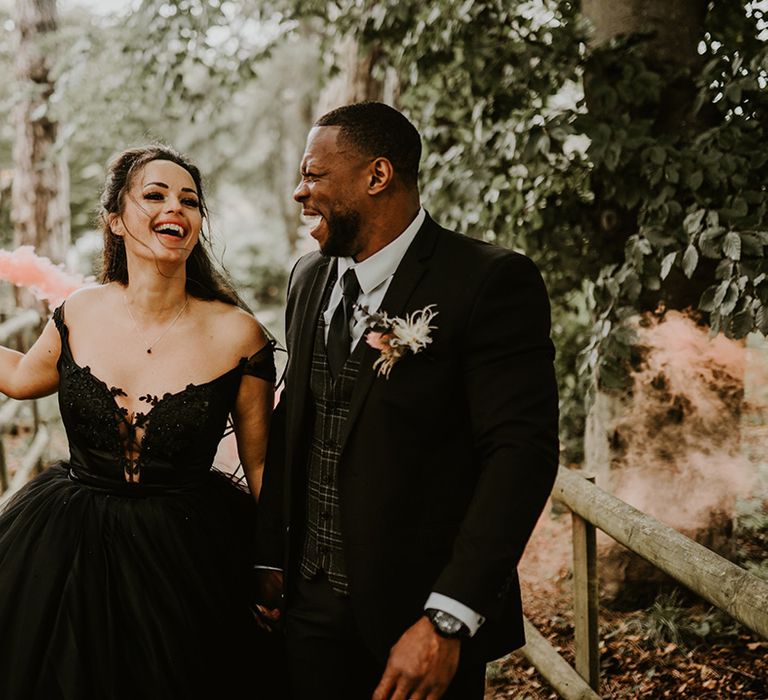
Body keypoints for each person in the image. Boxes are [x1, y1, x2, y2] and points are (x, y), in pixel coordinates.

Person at [256, 101, 560, 699]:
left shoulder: (488, 281)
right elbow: (297, 418)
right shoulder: (307, 278)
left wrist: (449, 617)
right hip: (306, 610)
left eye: (314, 174)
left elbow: (519, 456)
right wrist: (270, 559)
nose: (299, 192)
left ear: (377, 175)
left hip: (417, 620)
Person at [0, 145, 281, 699]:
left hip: (189, 555)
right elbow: (21, 378)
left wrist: (275, 562)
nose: (175, 208)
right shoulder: (80, 311)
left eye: (189, 200)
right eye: (154, 195)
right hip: (70, 547)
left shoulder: (239, 335)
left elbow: (261, 464)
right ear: (114, 219)